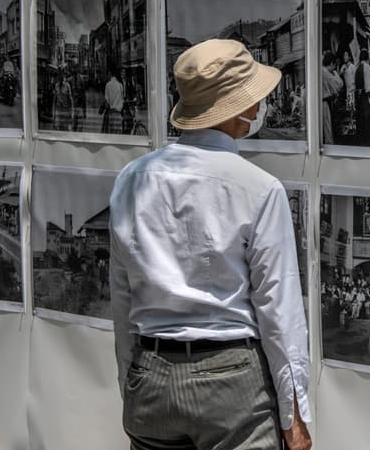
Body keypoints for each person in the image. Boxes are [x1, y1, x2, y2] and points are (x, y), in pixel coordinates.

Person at [108, 39, 312, 450]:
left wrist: (130, 379)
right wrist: (295, 415)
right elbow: (279, 311)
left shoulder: (131, 179)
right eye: (253, 95)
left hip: (151, 376)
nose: (261, 104)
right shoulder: (259, 188)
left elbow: (122, 298)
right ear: (239, 110)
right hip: (231, 379)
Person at [319, 52, 343, 146]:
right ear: (332, 63)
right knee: (327, 130)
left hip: (315, 102)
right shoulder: (326, 73)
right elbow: (339, 84)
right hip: (323, 102)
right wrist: (336, 72)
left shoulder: (320, 70)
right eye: (335, 65)